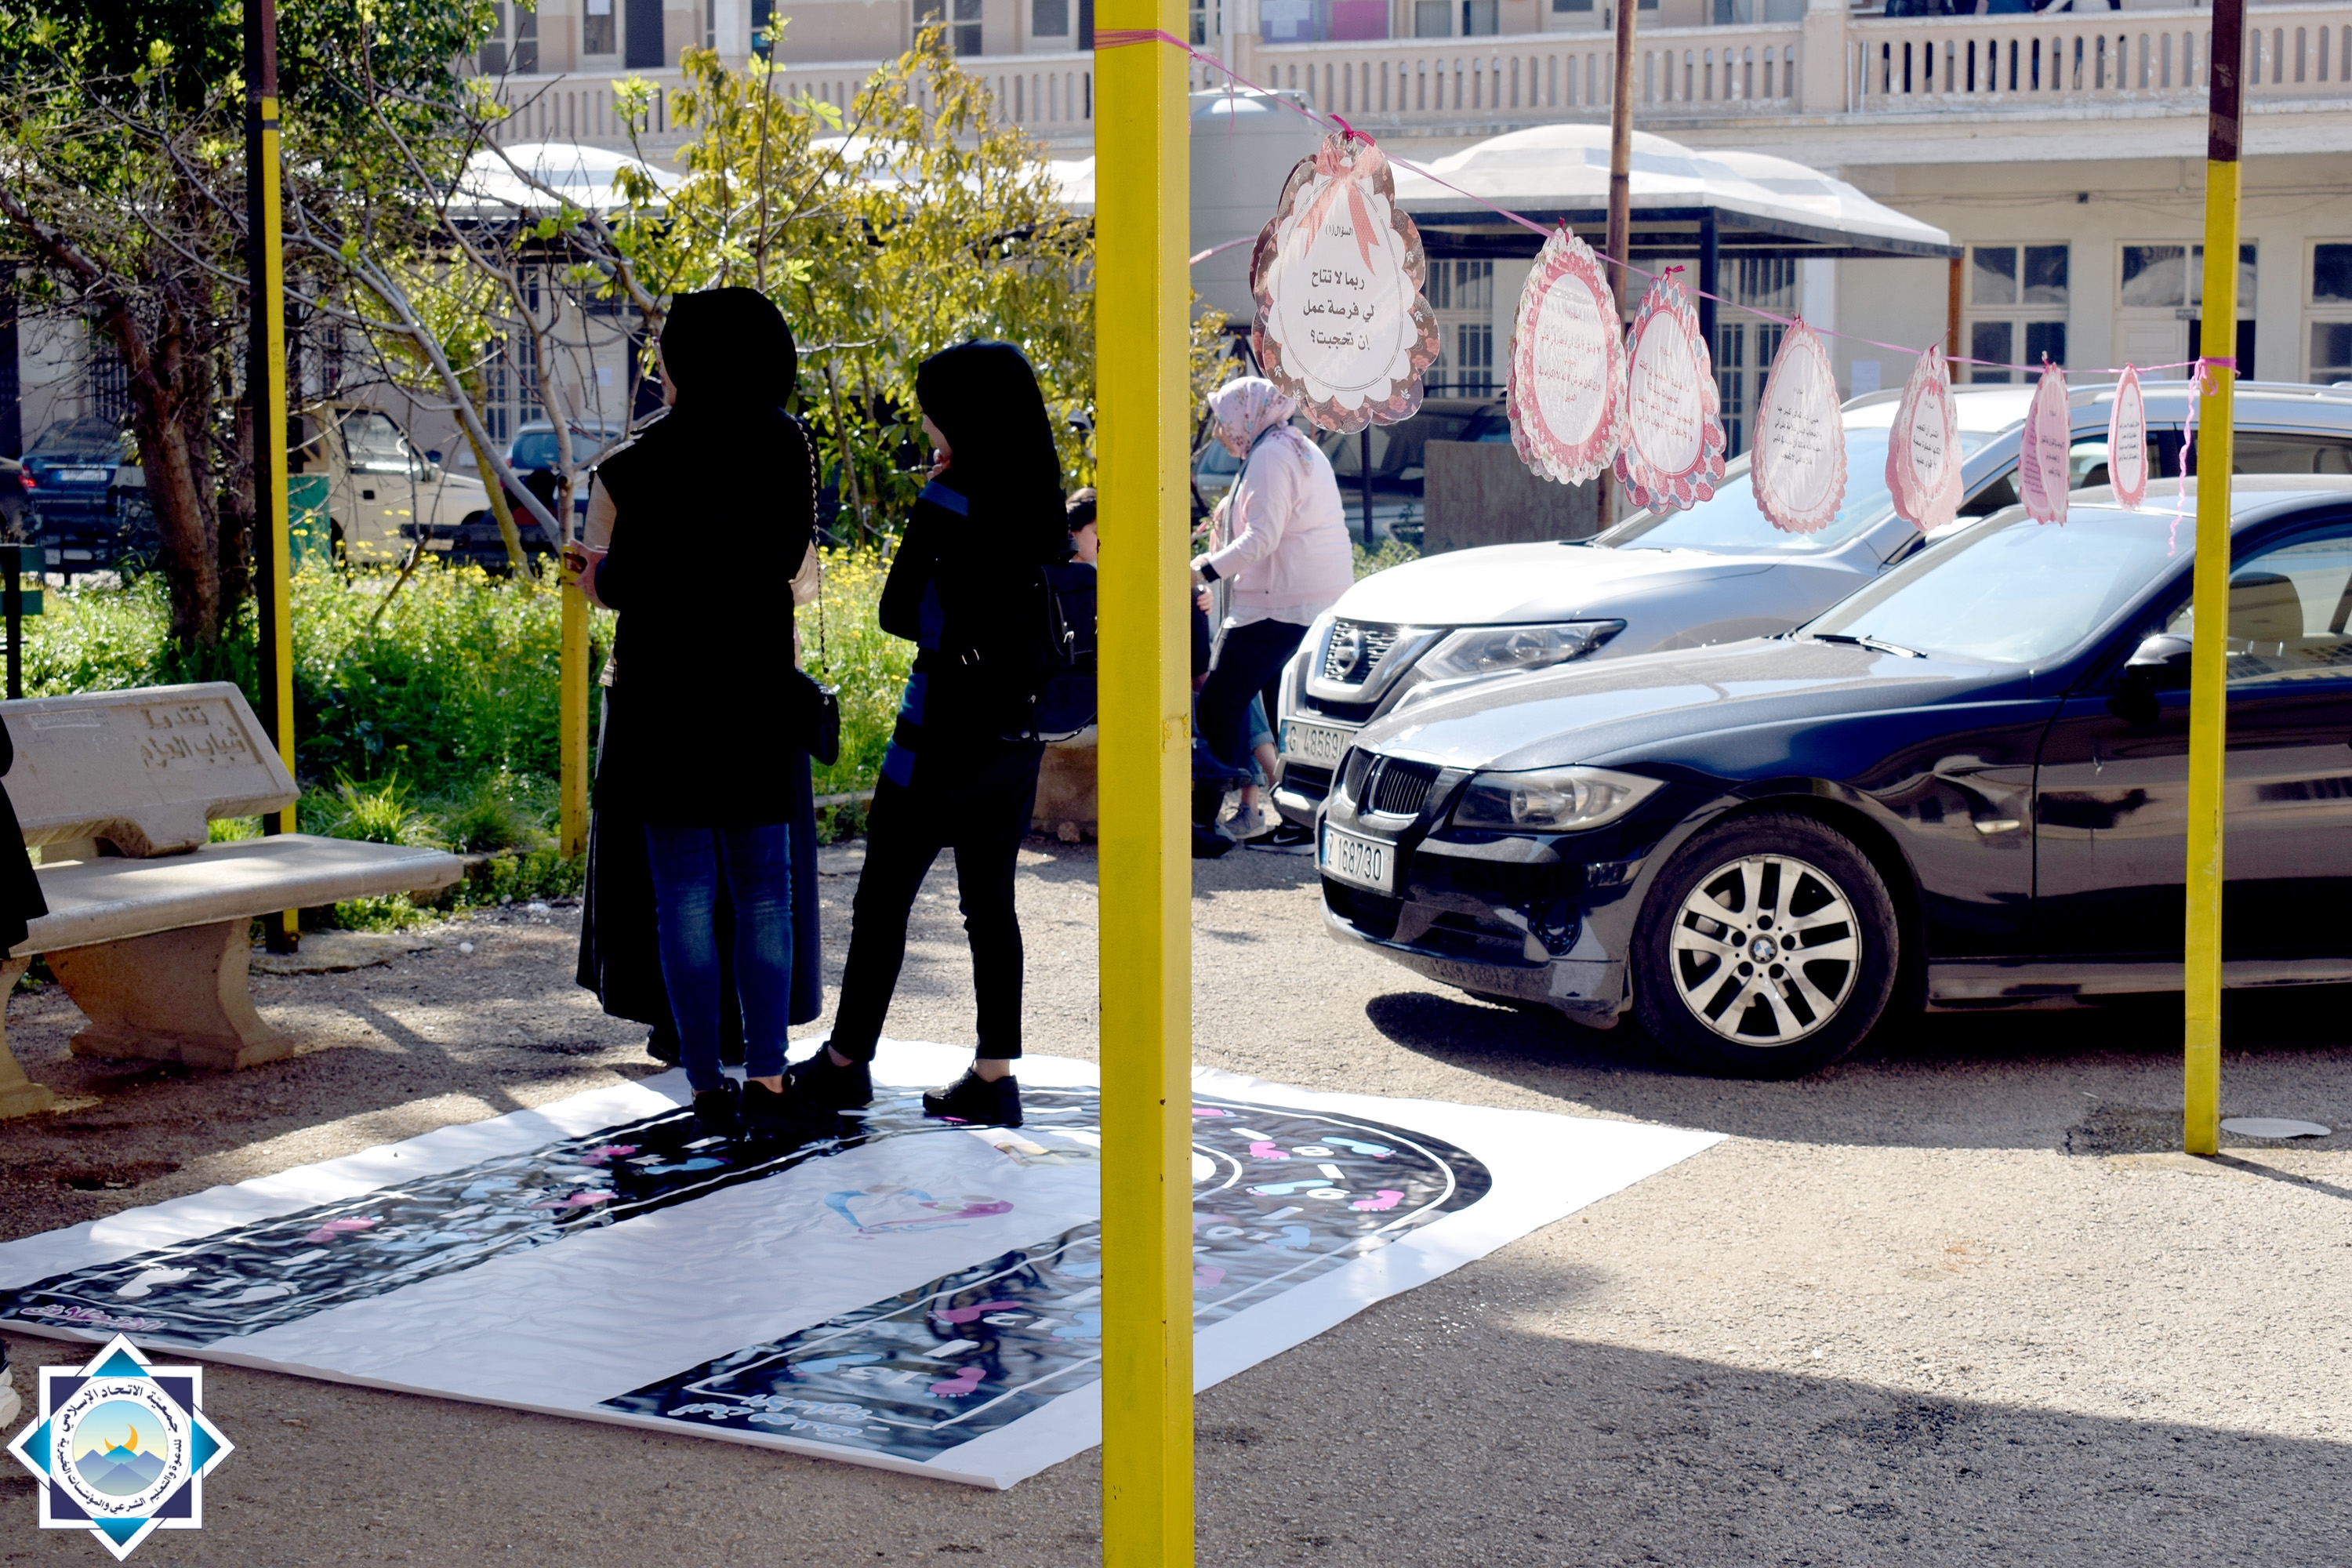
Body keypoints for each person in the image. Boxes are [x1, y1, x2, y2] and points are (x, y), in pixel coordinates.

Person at [787, 340, 1067, 1128]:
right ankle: (994, 1075)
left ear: (963, 415)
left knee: (883, 899)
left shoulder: (951, 496)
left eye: (933, 414)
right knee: (990, 905)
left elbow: (896, 611)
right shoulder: (1044, 496)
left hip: (939, 728)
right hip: (1019, 731)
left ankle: (846, 1062)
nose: (928, 427)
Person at [564, 287, 823, 1138]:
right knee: (765, 893)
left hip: (661, 700)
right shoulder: (785, 442)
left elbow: (624, 582)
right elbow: (787, 560)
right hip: (755, 693)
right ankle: (771, 1076)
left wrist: (596, 577)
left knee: (682, 895)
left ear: (683, 359)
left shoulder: (636, 462)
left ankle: (706, 1083)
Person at [1191, 377, 1352, 855]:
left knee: (1218, 704)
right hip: (1311, 603)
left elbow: (1262, 536)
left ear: (1248, 415)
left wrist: (1201, 570)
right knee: (1287, 715)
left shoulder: (1271, 456)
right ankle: (1301, 823)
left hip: (1277, 604)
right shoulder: (1296, 446)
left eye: (1225, 421)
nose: (1221, 433)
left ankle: (1201, 820)